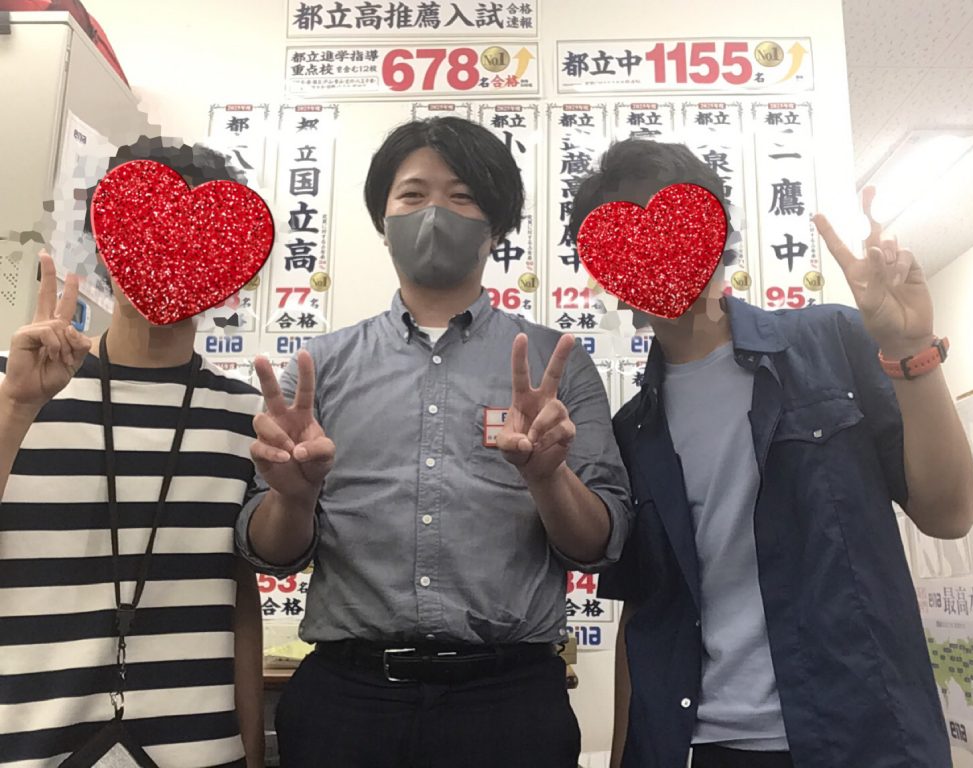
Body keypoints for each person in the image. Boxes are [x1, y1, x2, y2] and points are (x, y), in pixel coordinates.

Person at [236, 116, 632, 768]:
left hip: (510, 706)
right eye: (413, 195)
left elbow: (600, 543)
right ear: (382, 219)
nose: (434, 213)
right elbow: (269, 553)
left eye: (462, 196)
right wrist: (293, 498)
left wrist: (548, 478)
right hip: (348, 704)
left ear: (496, 226)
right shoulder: (319, 369)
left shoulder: (554, 365)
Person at [568, 139, 973, 768]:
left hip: (863, 736)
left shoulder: (832, 343)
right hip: (704, 745)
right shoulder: (631, 431)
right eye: (631, 247)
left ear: (719, 237)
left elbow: (950, 515)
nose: (661, 256)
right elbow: (644, 615)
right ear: (611, 281)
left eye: (678, 229)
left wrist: (910, 348)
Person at [0, 139, 266, 767]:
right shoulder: (18, 387)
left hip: (201, 751)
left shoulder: (248, 416)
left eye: (193, 248)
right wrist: (16, 411)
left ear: (230, 272)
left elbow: (238, 601)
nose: (166, 262)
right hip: (28, 744)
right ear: (104, 248)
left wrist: (252, 753)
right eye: (145, 238)